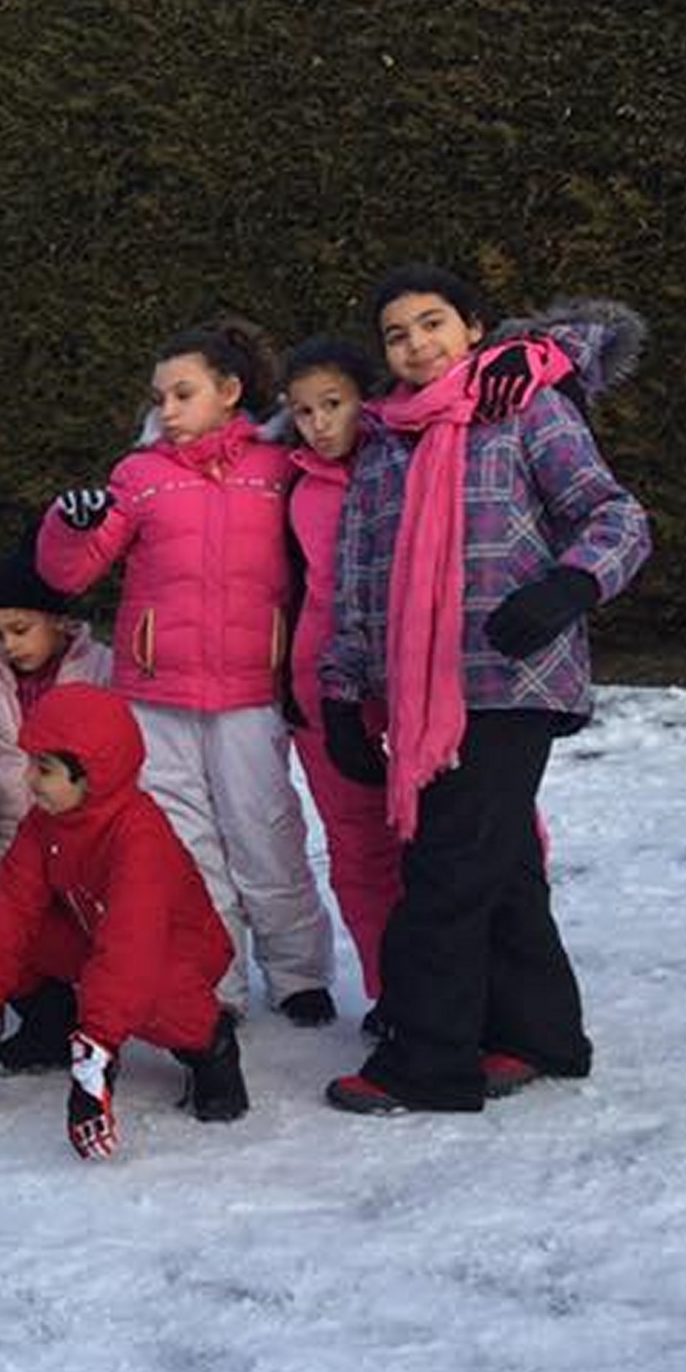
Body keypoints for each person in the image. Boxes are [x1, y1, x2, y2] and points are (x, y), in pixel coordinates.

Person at [321, 271, 650, 1116]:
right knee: (498, 863)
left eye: (432, 323)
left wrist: (569, 587)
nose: (416, 344)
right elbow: (359, 576)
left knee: (448, 868)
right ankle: (543, 1035)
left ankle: (426, 1061)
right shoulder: (384, 441)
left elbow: (615, 517)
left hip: (515, 678)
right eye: (396, 334)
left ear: (473, 328)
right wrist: (343, 690)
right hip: (422, 692)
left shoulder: (525, 407)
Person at [36, 317, 337, 1023]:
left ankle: (298, 974)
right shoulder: (139, 477)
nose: (166, 411)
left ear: (229, 391)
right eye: (159, 398)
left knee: (266, 833)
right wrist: (69, 525)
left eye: (182, 394)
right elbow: (70, 573)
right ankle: (215, 980)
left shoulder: (278, 470)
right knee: (185, 843)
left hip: (249, 694)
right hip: (156, 697)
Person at [0, 685, 246, 1160]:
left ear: (91, 776)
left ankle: (212, 1046)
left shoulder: (139, 837)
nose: (28, 779)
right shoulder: (46, 822)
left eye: (44, 769)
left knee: (152, 990)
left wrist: (96, 1053)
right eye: (30, 762)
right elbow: (12, 908)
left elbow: (130, 951)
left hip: (171, 955)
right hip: (94, 933)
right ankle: (49, 1028)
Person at [278, 337, 404, 1017]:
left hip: (412, 682)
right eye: (303, 412)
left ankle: (477, 985)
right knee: (358, 850)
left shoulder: (409, 461)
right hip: (322, 691)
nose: (320, 424)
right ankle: (391, 988)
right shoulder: (296, 484)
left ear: (366, 398)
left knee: (449, 840)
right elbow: (291, 589)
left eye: (333, 404)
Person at [0, 536, 114, 884]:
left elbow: (121, 751)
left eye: (20, 630)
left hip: (80, 842)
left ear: (58, 620)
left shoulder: (100, 671)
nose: (9, 645)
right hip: (2, 845)